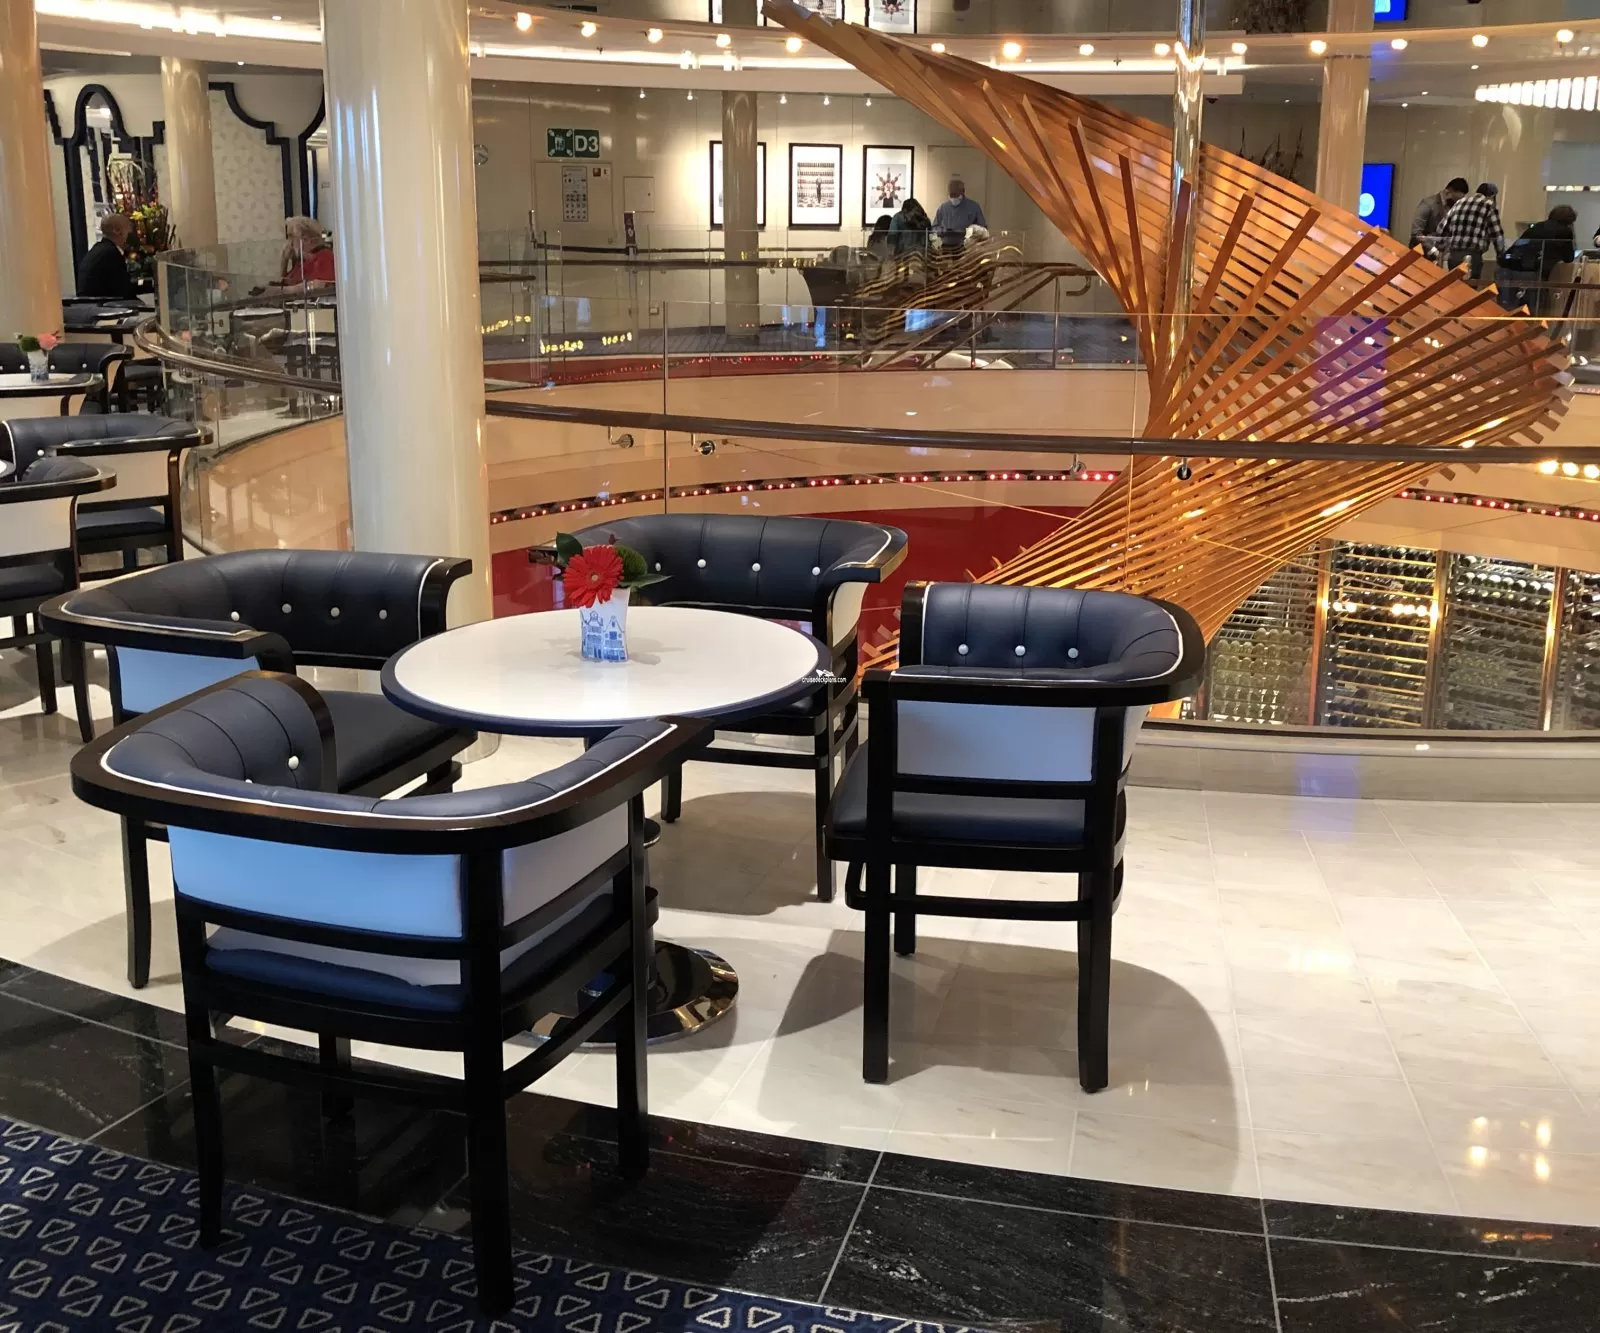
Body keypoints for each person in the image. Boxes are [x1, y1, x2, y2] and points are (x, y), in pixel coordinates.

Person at [1498, 204, 1577, 311]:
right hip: (1538, 273)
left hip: (1512, 270)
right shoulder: (1565, 232)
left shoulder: (1537, 226)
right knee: (1536, 306)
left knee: (1510, 306)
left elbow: (1518, 246)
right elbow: (1569, 257)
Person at [1436, 182, 1505, 281]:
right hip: (1473, 257)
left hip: (1453, 256)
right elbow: (1497, 236)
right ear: (1492, 196)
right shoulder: (1488, 205)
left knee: (1454, 287)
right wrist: (1501, 258)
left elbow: (1441, 228)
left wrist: (1441, 249)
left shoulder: (1459, 203)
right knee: (1469, 288)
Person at [76, 212, 137, 299]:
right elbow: (124, 291)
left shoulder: (99, 249)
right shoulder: (111, 254)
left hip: (91, 304)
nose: (130, 231)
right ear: (117, 230)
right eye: (128, 227)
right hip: (103, 304)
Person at [1408, 176, 1468, 250]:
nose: (1457, 203)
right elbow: (1416, 233)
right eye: (1455, 199)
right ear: (1447, 193)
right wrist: (1433, 250)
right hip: (1420, 251)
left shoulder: (1453, 206)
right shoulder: (1427, 204)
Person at [933, 175, 986, 249]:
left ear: (963, 191)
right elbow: (934, 228)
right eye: (951, 195)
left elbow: (983, 229)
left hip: (966, 248)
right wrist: (943, 232)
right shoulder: (943, 208)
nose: (954, 198)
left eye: (956, 195)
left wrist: (967, 232)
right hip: (945, 247)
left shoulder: (973, 207)